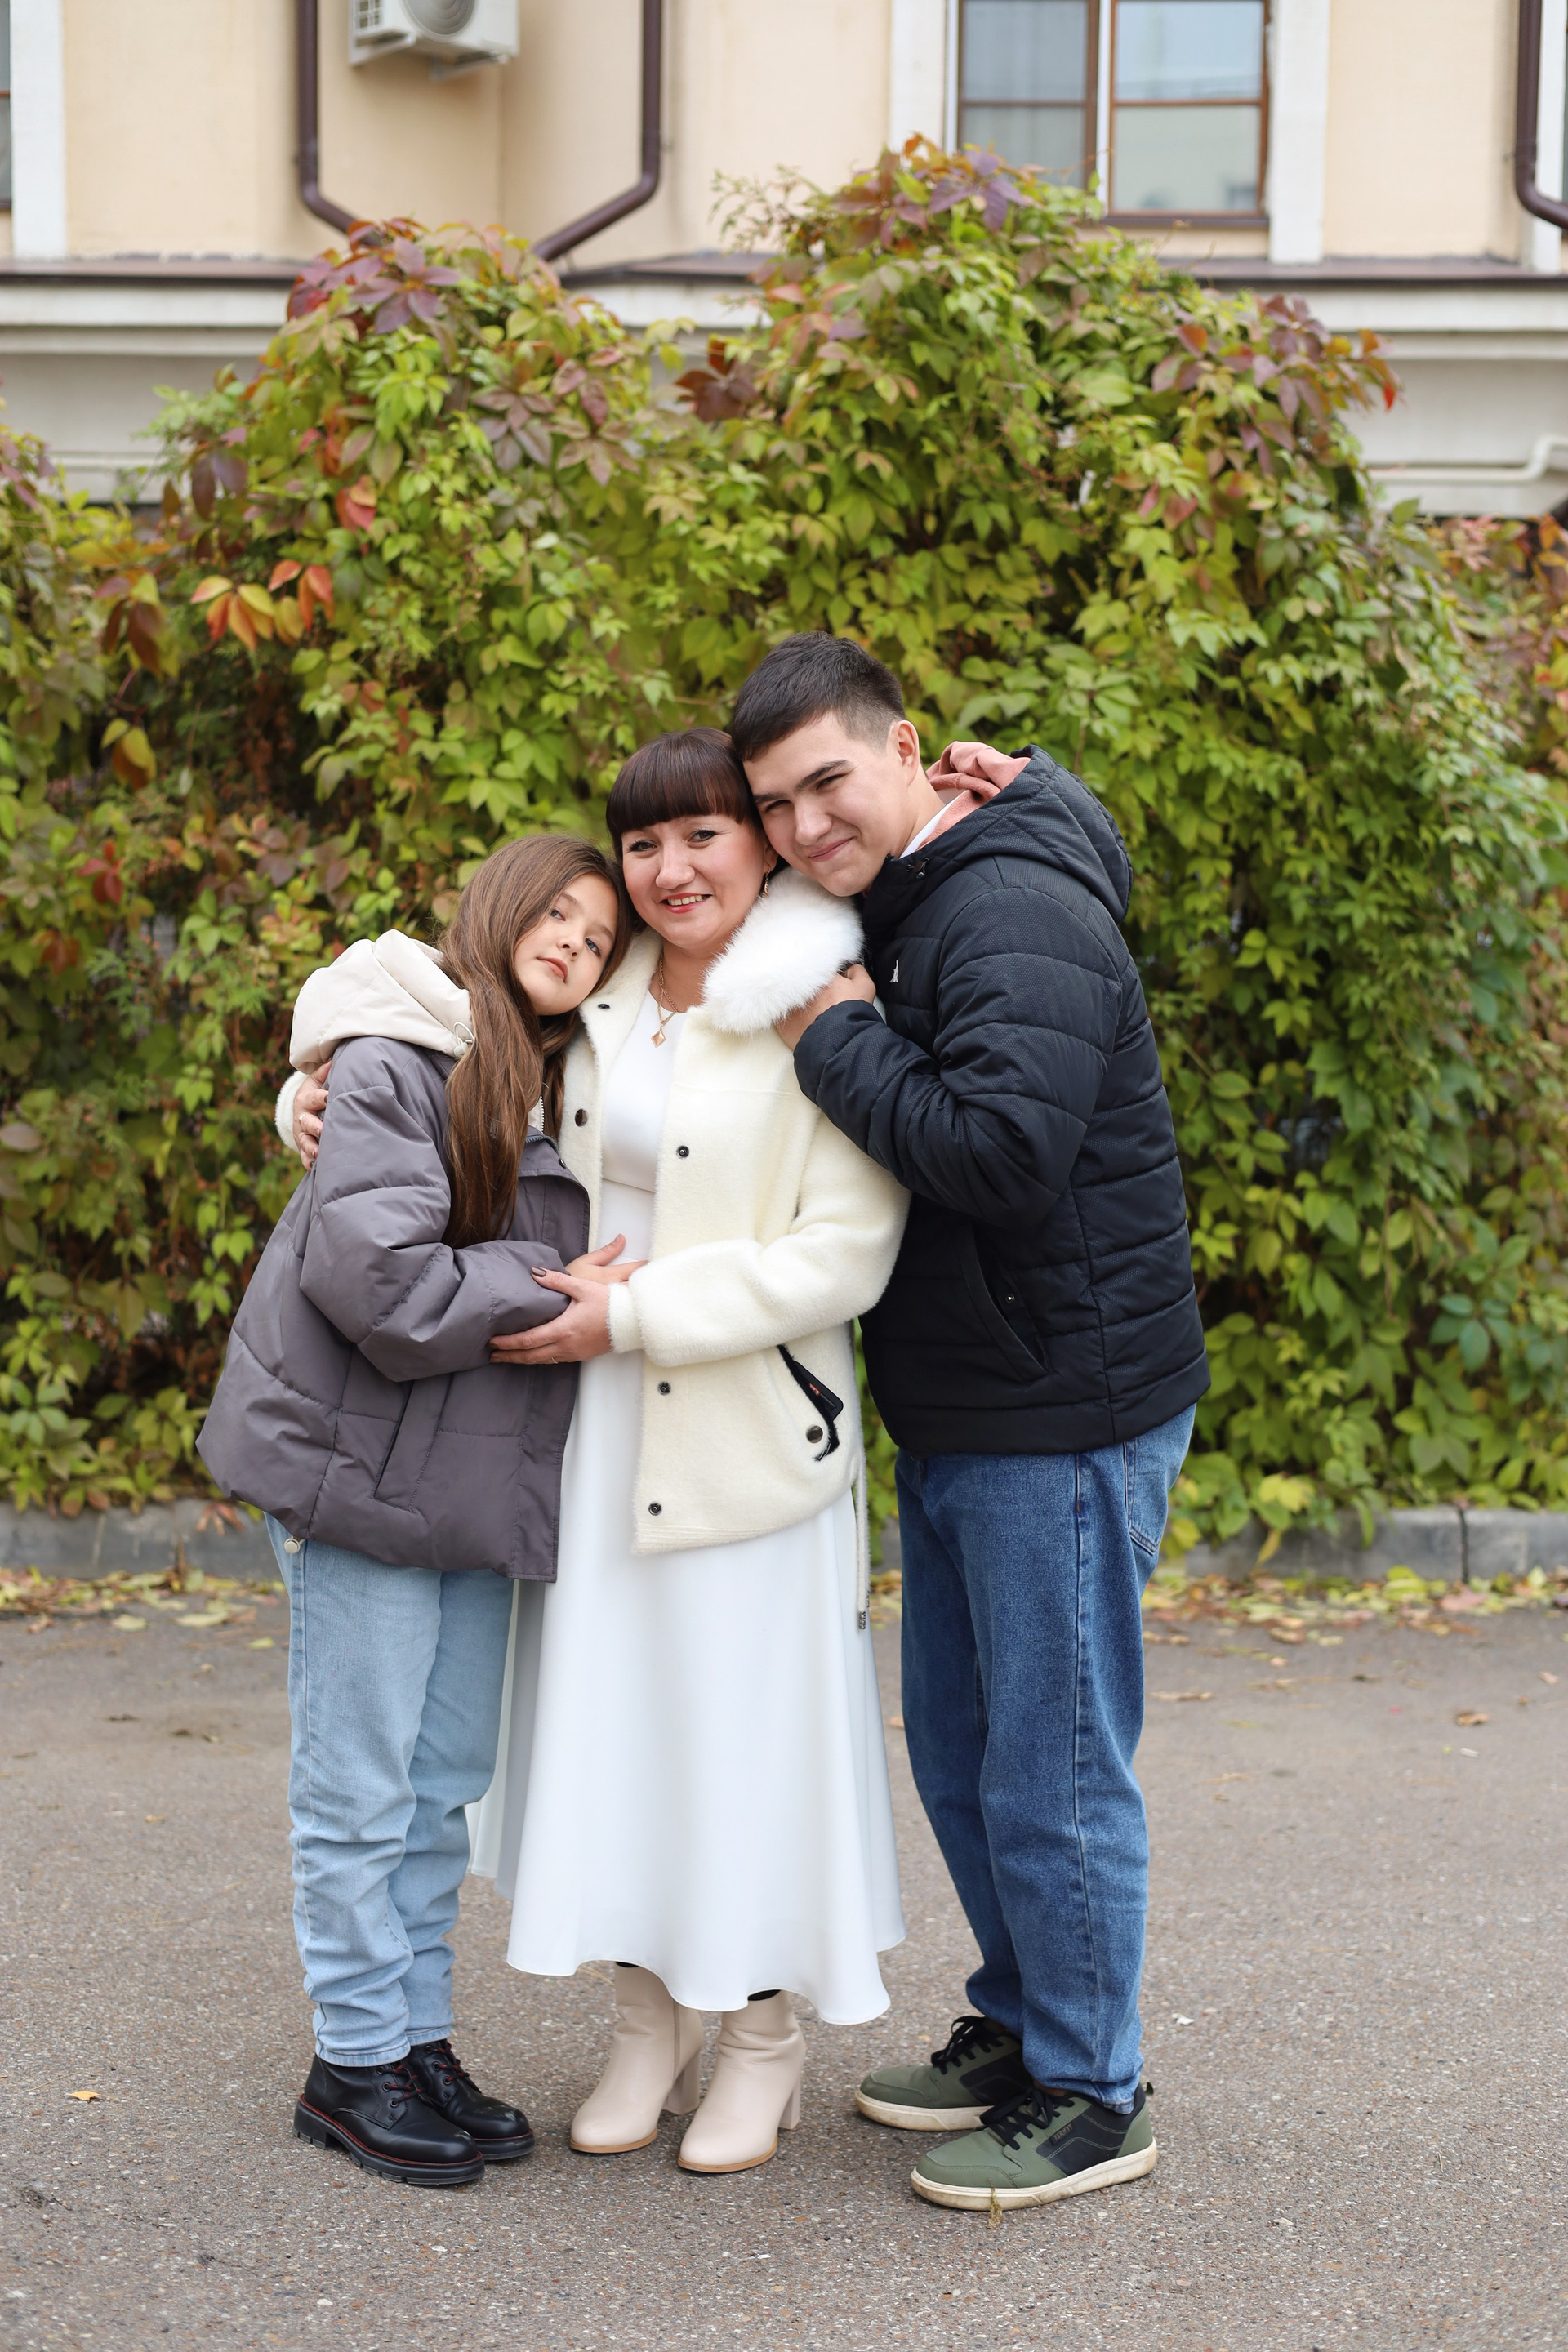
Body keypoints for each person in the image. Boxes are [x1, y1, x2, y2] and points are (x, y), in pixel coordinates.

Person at [285, 727, 910, 2177]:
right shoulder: (592, 986)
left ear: (761, 843)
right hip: (583, 1433)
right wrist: (300, 1094)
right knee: (620, 1732)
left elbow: (848, 1252)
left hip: (742, 1421)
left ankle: (759, 2035)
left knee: (747, 1742)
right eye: (644, 844)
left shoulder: (823, 1001)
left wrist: (634, 1314)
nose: (671, 868)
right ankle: (648, 2022)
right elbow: (407, 1026)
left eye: (704, 835)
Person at [731, 635, 1209, 2212]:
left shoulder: (1003, 906)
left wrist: (832, 1038)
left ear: (906, 749)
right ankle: (1021, 2024)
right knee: (962, 1750)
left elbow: (1003, 1153)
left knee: (1051, 1773)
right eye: (775, 805)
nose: (803, 828)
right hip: (970, 1400)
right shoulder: (922, 884)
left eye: (827, 783)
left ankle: (1093, 2091)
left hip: (1060, 1407)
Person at [198, 835, 634, 2189]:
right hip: (361, 1471)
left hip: (467, 1480)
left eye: (599, 939)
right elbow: (382, 1285)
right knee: (359, 1785)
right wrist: (548, 1281)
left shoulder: (550, 1076)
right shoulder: (395, 1054)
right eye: (557, 914)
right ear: (498, 909)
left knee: (440, 1786)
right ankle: (350, 2061)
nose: (575, 944)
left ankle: (415, 2039)